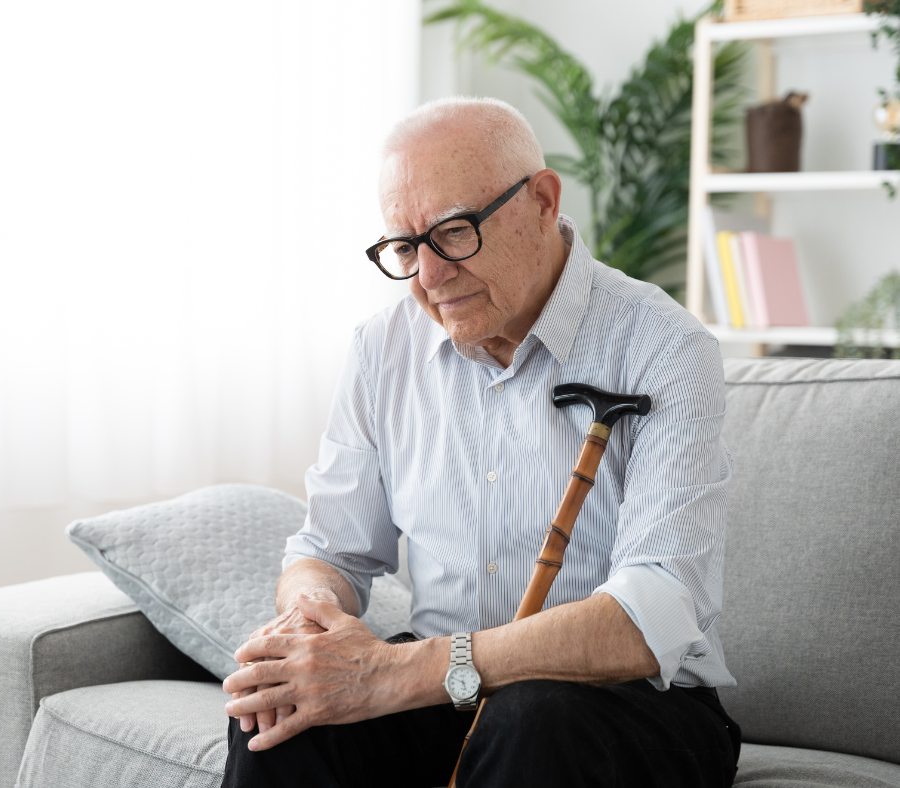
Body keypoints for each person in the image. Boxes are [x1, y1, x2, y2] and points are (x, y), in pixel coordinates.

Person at [220, 96, 741, 788]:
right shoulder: (382, 351)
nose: (430, 278)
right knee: (280, 710)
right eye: (405, 248)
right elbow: (329, 550)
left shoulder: (666, 348)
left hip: (629, 704)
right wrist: (308, 617)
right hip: (442, 694)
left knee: (531, 718)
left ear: (543, 201)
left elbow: (652, 613)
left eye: (455, 232)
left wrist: (399, 671)